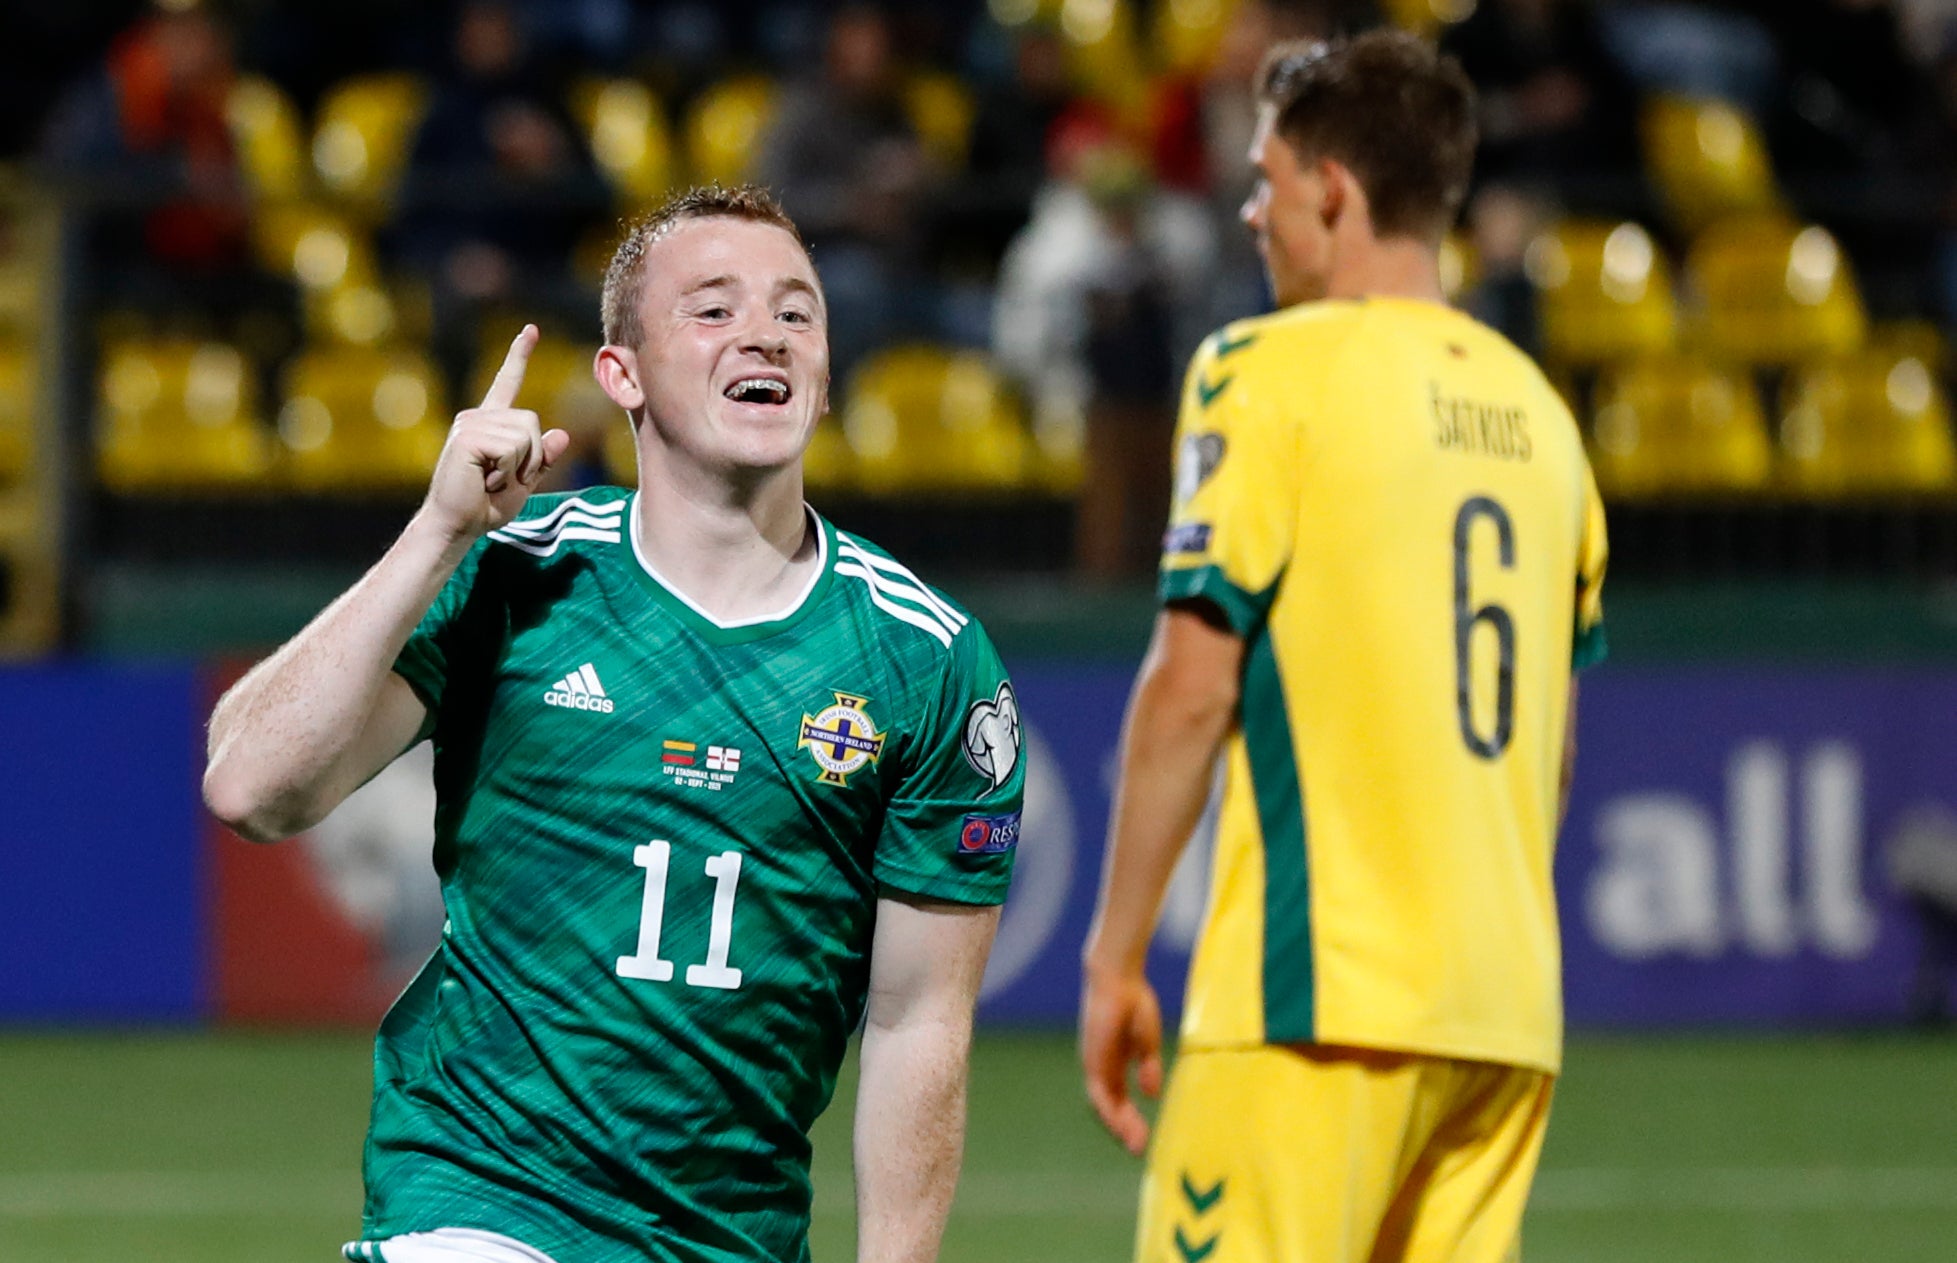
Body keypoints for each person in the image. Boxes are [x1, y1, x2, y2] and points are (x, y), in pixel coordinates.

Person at [204, 184, 1025, 1263]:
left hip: (728, 1239)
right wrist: (436, 531)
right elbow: (252, 788)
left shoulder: (927, 663)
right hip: (475, 1204)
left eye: (795, 311)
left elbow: (920, 1023)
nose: (763, 334)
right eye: (713, 308)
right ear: (620, 374)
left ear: (824, 376)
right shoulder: (511, 574)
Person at [1078, 31, 1608, 1263]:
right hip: (1504, 1021)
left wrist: (1111, 963)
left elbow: (1189, 689)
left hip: (1316, 1008)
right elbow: (1556, 749)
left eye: (1266, 180)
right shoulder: (1542, 413)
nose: (1253, 214)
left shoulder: (1268, 372)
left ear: (1332, 188)